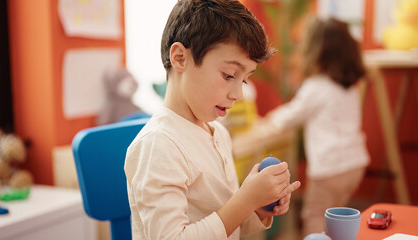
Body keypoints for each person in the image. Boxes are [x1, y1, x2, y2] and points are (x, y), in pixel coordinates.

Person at [124, 0, 301, 239]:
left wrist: (255, 207)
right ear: (179, 58)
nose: (237, 94)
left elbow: (222, 223)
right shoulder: (159, 145)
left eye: (244, 80)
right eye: (229, 75)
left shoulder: (218, 134)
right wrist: (244, 199)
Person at [266, 16, 370, 237]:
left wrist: (269, 119)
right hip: (354, 165)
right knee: (335, 218)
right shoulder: (349, 86)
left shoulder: (316, 87)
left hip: (330, 168)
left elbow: (289, 117)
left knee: (314, 216)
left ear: (315, 51)